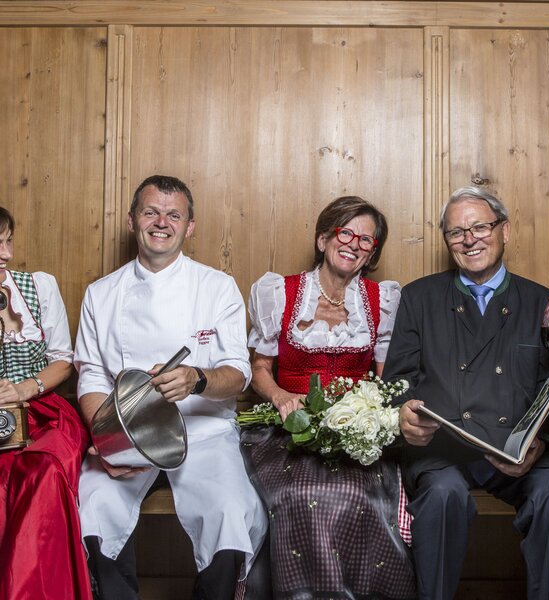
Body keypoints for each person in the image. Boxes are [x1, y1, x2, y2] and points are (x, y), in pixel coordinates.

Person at [382, 186, 549, 600]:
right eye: (456, 233)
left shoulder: (542, 301)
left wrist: (541, 446)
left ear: (504, 231)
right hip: (444, 451)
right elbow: (396, 383)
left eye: (479, 227)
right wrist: (403, 417)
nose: (469, 239)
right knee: (442, 497)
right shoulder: (419, 298)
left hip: (518, 452)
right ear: (447, 242)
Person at [74, 175, 267, 600]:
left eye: (173, 214)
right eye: (151, 212)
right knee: (92, 509)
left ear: (189, 226)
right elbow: (91, 377)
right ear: (131, 221)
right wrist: (107, 442)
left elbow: (238, 372)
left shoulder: (216, 288)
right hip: (127, 438)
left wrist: (197, 379)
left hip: (203, 434)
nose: (162, 222)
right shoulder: (101, 294)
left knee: (230, 512)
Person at [241, 196, 416, 599]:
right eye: (345, 233)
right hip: (287, 429)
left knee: (359, 496)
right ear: (323, 239)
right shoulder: (280, 293)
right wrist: (282, 397)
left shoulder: (381, 302)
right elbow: (259, 368)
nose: (354, 244)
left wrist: (372, 416)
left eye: (366, 240)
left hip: (356, 431)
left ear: (372, 253)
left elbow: (385, 377)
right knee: (294, 495)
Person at [0, 207, 91, 599]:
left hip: (43, 412)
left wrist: (24, 389)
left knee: (44, 471)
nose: (5, 254)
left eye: (8, 241)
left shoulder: (38, 285)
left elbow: (62, 361)